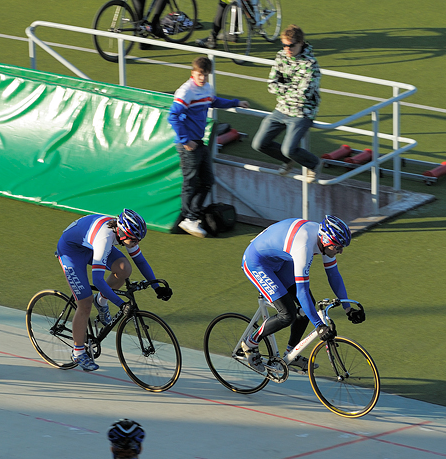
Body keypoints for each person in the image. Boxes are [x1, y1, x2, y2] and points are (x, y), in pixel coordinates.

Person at [240, 215, 365, 371]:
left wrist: (347, 308)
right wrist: (319, 326)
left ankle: (290, 354)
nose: (340, 252)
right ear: (327, 241)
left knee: (307, 309)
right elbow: (302, 292)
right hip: (257, 262)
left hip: (280, 260)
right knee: (287, 314)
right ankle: (250, 343)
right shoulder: (304, 247)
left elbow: (333, 275)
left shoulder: (323, 240)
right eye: (338, 247)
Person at [56, 209, 172, 371]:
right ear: (123, 233)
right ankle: (78, 351)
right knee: (85, 303)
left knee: (124, 268)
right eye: (134, 239)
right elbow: (98, 279)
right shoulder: (105, 238)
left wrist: (156, 287)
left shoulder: (124, 234)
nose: (136, 243)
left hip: (89, 244)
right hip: (71, 251)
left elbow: (141, 261)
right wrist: (120, 303)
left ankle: (101, 300)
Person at [168, 56, 249, 238]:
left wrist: (235, 102)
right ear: (192, 73)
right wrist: (185, 140)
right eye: (199, 74)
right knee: (190, 183)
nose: (202, 78)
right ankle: (189, 217)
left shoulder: (206, 88)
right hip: (188, 144)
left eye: (205, 74)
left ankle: (192, 216)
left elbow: (213, 101)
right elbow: (173, 116)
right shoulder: (186, 91)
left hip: (199, 142)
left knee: (207, 180)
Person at [251, 24, 324, 182]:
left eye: (291, 45)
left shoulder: (311, 65)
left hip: (302, 112)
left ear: (300, 43)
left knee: (288, 149)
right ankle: (288, 161)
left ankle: (314, 163)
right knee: (259, 143)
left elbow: (303, 95)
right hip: (282, 109)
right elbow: (271, 84)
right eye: (284, 45)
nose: (287, 49)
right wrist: (290, 89)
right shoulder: (280, 56)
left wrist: (282, 88)